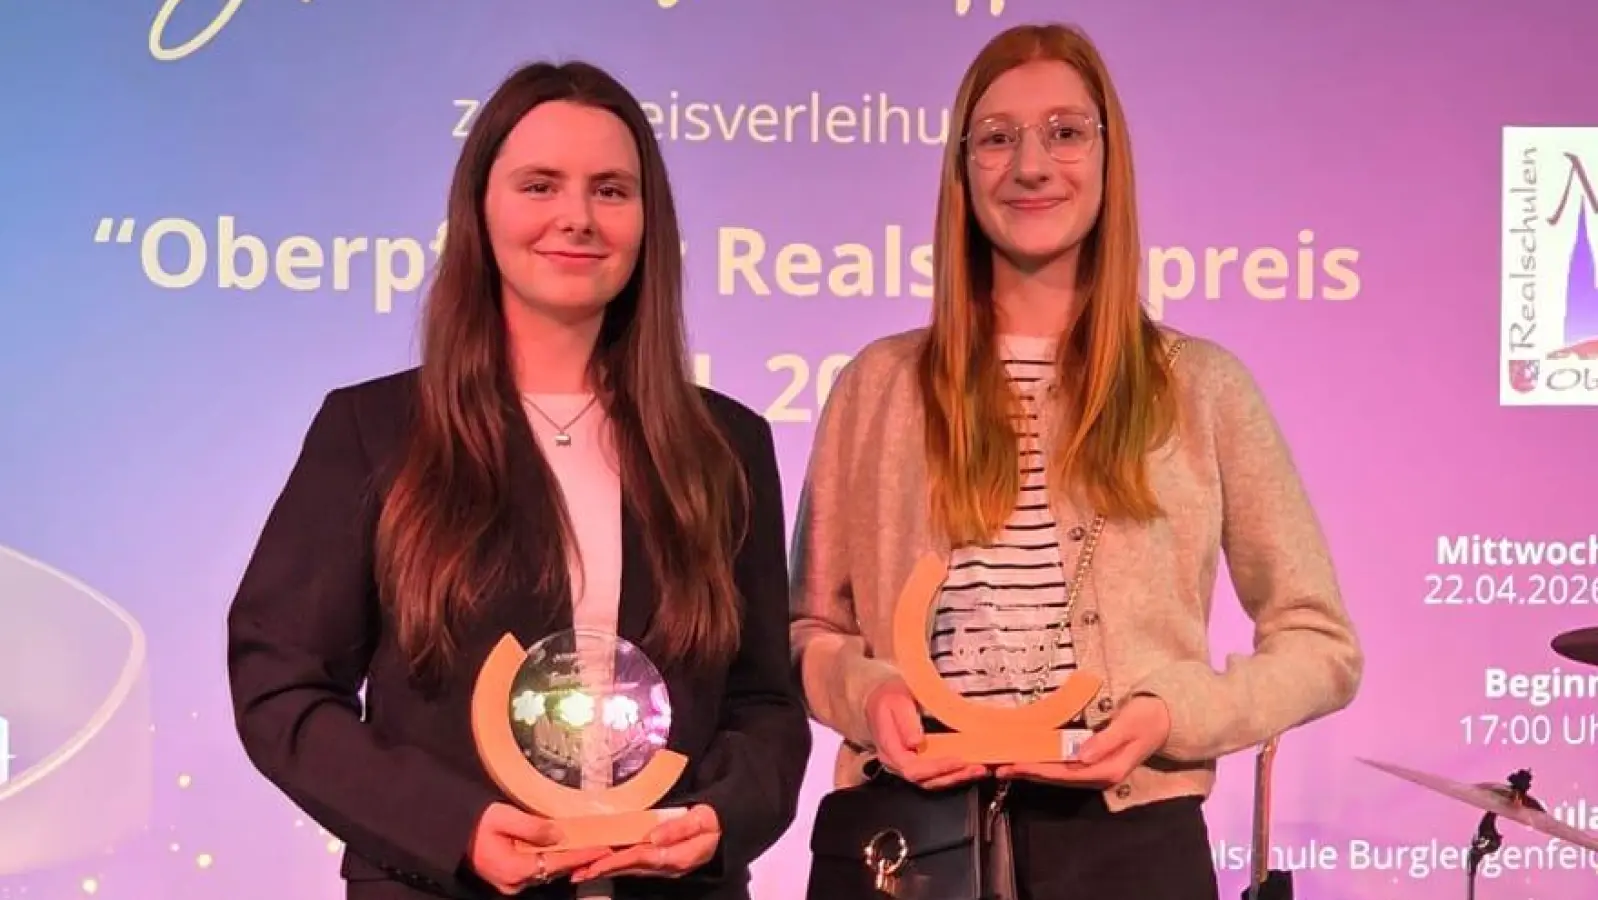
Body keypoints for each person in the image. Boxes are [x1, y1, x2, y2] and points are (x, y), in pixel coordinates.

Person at [789, 23, 1362, 899]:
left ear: (1108, 156)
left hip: (1129, 846)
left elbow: (1321, 644)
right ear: (961, 167)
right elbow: (807, 633)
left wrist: (1175, 714)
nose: (1030, 165)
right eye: (996, 137)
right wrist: (867, 694)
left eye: (1064, 131)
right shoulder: (879, 385)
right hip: (911, 841)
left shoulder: (1200, 387)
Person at [226, 60, 811, 899]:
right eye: (540, 185)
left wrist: (720, 818)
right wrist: (454, 825)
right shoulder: (375, 431)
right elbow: (280, 687)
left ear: (648, 222)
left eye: (610, 190)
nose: (576, 217)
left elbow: (765, 705)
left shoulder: (725, 444)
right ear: (480, 210)